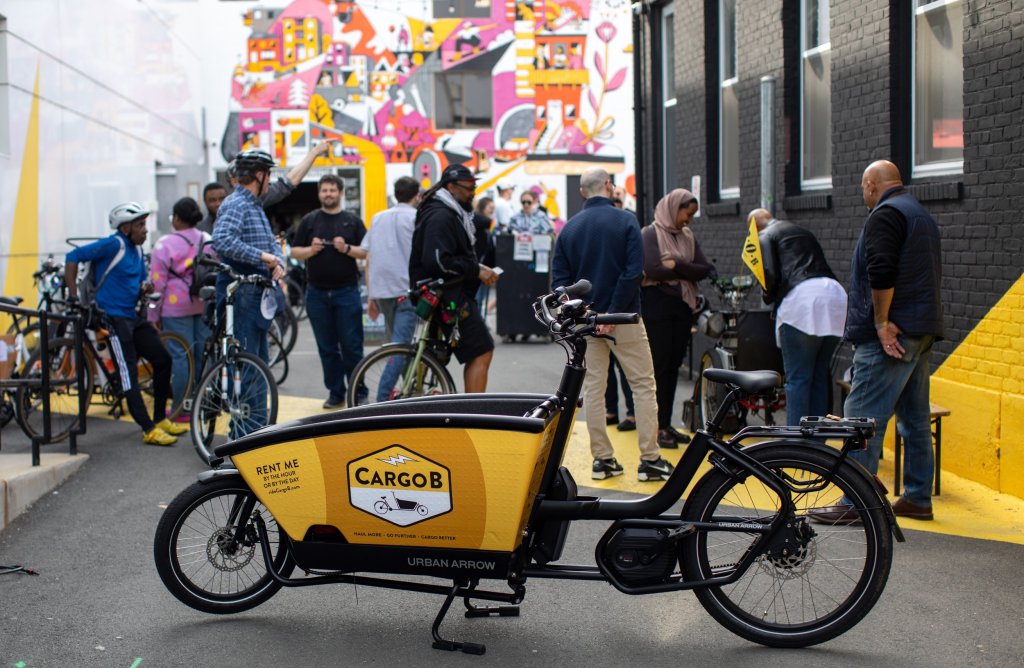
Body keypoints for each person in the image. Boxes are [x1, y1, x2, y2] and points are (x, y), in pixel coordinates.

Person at [812, 160, 944, 524]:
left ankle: (855, 503)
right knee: (915, 418)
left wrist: (882, 322)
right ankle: (918, 497)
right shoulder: (921, 215)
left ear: (871, 185)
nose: (864, 196)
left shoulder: (885, 215)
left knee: (860, 417)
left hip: (891, 335)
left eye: (862, 189)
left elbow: (881, 269)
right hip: (921, 329)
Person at [551, 167, 673, 482]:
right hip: (624, 319)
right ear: (609, 186)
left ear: (582, 192)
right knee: (643, 385)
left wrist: (586, 314)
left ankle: (602, 460)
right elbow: (634, 271)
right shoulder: (625, 221)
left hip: (585, 323)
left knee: (594, 390)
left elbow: (560, 284)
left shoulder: (570, 229)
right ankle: (650, 460)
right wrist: (612, 311)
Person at [64, 202, 184, 445]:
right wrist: (73, 296)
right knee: (128, 373)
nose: (145, 230)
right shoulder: (113, 244)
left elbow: (140, 280)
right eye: (140, 225)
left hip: (132, 316)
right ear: (126, 227)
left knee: (163, 359)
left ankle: (160, 418)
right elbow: (72, 256)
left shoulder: (138, 251)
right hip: (112, 318)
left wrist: (145, 287)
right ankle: (148, 429)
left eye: (145, 225)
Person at [212, 149, 287, 437]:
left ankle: (255, 435)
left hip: (255, 292)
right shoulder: (237, 204)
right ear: (259, 175)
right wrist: (263, 257)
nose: (271, 180)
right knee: (248, 368)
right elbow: (222, 242)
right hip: (242, 293)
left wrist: (275, 262)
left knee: (259, 367)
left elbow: (269, 246)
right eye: (269, 174)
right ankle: (242, 439)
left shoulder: (254, 205)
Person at [750, 208, 847, 426]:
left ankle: (795, 442)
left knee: (798, 378)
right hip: (833, 296)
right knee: (820, 375)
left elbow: (770, 273)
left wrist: (768, 295)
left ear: (755, 226)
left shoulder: (764, 235)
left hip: (801, 302)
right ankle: (818, 444)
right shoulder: (801, 231)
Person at [409, 164, 500, 393]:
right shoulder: (441, 215)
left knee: (439, 356)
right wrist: (475, 270)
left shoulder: (447, 210)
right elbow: (438, 262)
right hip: (447, 295)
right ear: (451, 187)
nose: (473, 192)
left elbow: (447, 257)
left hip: (443, 293)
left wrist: (476, 267)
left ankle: (437, 399)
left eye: (474, 186)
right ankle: (473, 414)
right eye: (469, 187)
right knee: (481, 350)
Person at [641, 189, 713, 448]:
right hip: (657, 309)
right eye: (687, 213)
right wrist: (685, 269)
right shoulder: (650, 234)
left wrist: (676, 265)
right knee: (659, 369)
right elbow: (652, 269)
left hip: (682, 308)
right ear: (674, 208)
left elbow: (703, 269)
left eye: (692, 214)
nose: (688, 219)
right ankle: (657, 427)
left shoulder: (687, 236)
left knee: (672, 368)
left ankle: (666, 425)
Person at [290, 174, 368, 409]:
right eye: (324, 190)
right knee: (327, 348)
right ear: (319, 194)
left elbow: (365, 252)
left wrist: (346, 249)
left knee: (352, 346)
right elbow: (294, 252)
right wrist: (310, 251)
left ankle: (359, 390)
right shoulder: (309, 221)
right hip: (317, 294)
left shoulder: (352, 221)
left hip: (347, 292)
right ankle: (336, 392)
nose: (328, 194)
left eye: (332, 190)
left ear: (340, 193)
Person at [148, 197, 213, 419]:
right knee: (201, 356)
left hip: (175, 309)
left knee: (181, 358)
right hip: (202, 304)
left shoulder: (164, 244)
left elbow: (158, 283)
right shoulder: (207, 239)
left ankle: (182, 408)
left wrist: (153, 314)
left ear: (176, 218)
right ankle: (203, 404)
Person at [365, 176, 421, 344]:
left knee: (394, 343)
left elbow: (368, 255)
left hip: (383, 289)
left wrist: (371, 295)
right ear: (417, 195)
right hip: (408, 289)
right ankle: (389, 373)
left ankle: (403, 371)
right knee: (401, 347)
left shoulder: (378, 218)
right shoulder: (417, 217)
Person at [607, 190, 635, 431]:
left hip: (622, 309)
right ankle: (611, 410)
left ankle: (632, 413)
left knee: (625, 368)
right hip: (610, 308)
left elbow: (633, 270)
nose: (616, 201)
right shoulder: (619, 223)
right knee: (604, 371)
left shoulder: (628, 221)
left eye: (619, 197)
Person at [472, 197, 497, 316]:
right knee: (477, 299)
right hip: (478, 267)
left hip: (486, 267)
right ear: (483, 207)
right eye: (490, 208)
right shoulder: (477, 220)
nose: (492, 211)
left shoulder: (485, 226)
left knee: (480, 299)